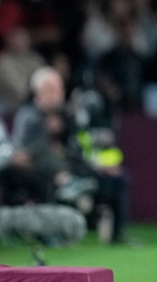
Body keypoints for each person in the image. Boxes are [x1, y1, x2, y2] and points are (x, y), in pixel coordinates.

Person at [10, 67, 130, 244]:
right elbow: (26, 151)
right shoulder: (28, 114)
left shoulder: (68, 116)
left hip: (73, 166)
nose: (57, 94)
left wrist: (96, 164)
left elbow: (78, 147)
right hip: (38, 171)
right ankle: (50, 229)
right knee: (50, 172)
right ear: (39, 91)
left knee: (118, 179)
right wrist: (47, 130)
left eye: (59, 89)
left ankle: (116, 234)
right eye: (51, 90)